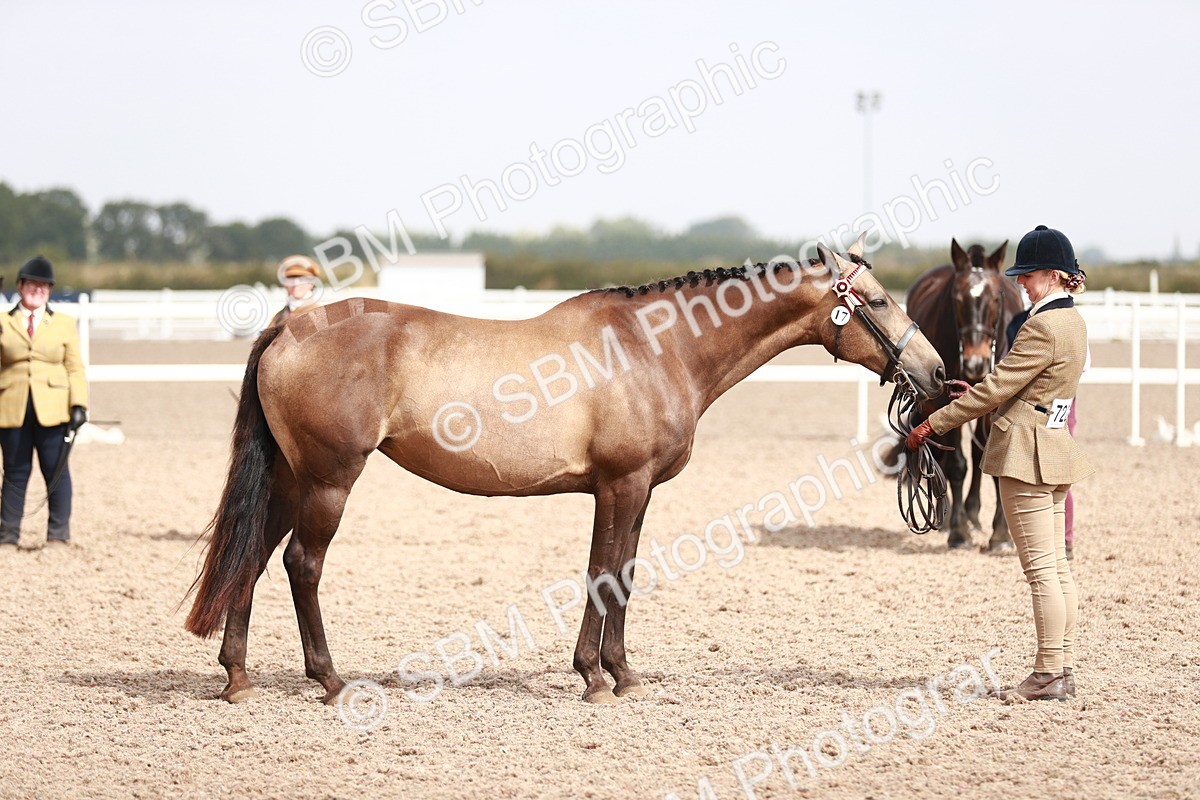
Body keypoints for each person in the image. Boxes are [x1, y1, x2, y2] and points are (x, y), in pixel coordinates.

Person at [907, 225, 1092, 701]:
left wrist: (932, 424)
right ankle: (1062, 666)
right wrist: (980, 394)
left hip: (1026, 455)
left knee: (1041, 573)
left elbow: (997, 388)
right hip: (1054, 446)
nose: (1020, 284)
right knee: (1057, 568)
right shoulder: (1073, 323)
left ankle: (1047, 672)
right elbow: (1026, 388)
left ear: (1053, 275)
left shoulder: (1040, 326)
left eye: (1027, 276)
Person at [0, 255, 88, 547]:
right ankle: (8, 534)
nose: (37, 289)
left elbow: (75, 367)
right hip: (11, 406)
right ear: (20, 286)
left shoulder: (64, 324)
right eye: (32, 284)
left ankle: (58, 534)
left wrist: (79, 405)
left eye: (43, 285)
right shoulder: (3, 322)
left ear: (49, 290)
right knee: (14, 472)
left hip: (53, 408)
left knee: (56, 471)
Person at [1006, 308, 1085, 560]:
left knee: (1051, 475)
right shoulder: (1070, 322)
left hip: (1050, 405)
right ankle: (1057, 541)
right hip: (1058, 404)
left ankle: (1060, 540)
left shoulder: (1049, 324)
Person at [268, 255, 321, 327]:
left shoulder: (317, 313)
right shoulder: (279, 315)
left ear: (311, 283)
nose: (295, 284)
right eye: (290, 278)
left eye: (301, 279)